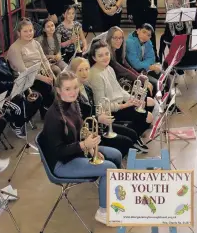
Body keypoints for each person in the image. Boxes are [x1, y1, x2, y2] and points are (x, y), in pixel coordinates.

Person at [41, 71, 122, 225]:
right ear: (58, 90)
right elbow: (58, 151)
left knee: (116, 155)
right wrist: (85, 145)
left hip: (77, 151)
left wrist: (91, 149)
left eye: (75, 87)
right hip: (62, 163)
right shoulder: (53, 117)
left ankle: (114, 196)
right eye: (68, 89)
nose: (73, 92)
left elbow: (80, 130)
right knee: (108, 168)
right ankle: (103, 211)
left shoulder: (72, 104)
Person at [68, 58, 144, 155]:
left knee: (132, 134)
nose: (84, 73)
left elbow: (93, 107)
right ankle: (115, 163)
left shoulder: (87, 88)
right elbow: (78, 119)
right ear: (73, 72)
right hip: (89, 132)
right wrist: (98, 118)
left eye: (86, 69)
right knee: (126, 142)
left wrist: (101, 113)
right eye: (80, 70)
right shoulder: (73, 94)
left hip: (99, 125)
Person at [87, 40, 155, 147]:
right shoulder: (96, 76)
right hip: (112, 111)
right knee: (148, 117)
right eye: (100, 55)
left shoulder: (109, 68)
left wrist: (132, 99)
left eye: (107, 54)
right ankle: (132, 138)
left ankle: (133, 135)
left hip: (120, 104)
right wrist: (124, 105)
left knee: (147, 104)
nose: (105, 57)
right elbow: (101, 105)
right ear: (94, 58)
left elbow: (119, 90)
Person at [0, 35, 43, 138]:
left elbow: (11, 76)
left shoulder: (2, 60)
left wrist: (21, 81)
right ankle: (18, 124)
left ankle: (19, 120)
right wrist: (13, 85)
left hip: (12, 91)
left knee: (37, 97)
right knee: (18, 108)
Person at [7, 18, 55, 118]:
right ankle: (47, 114)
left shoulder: (35, 43)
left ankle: (51, 111)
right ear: (18, 33)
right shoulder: (14, 48)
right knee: (47, 87)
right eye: (25, 31)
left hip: (40, 74)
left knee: (57, 79)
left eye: (31, 30)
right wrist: (43, 78)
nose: (29, 33)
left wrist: (50, 73)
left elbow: (44, 60)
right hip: (25, 79)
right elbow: (24, 71)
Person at [103, 26, 156, 95]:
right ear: (109, 38)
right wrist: (143, 80)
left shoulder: (119, 50)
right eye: (115, 38)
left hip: (124, 77)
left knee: (149, 85)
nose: (118, 41)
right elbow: (124, 70)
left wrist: (142, 78)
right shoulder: (107, 53)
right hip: (112, 84)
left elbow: (128, 67)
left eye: (120, 38)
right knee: (145, 91)